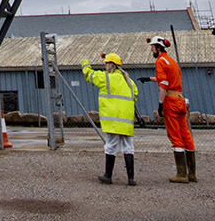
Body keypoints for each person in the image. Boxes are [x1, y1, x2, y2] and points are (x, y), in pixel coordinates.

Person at [81, 52, 138, 185]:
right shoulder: (129, 81)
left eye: (106, 63)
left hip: (112, 120)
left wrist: (85, 63)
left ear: (110, 65)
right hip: (126, 121)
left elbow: (90, 75)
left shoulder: (106, 78)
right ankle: (131, 179)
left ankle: (108, 176)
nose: (104, 65)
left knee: (111, 146)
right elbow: (135, 95)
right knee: (128, 147)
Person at [149, 34, 196, 182]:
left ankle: (181, 174)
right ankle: (192, 174)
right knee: (186, 134)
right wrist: (149, 79)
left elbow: (164, 85)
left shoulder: (160, 62)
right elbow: (168, 80)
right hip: (180, 100)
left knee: (175, 135)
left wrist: (160, 104)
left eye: (152, 48)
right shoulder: (172, 62)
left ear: (157, 48)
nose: (151, 51)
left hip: (170, 101)